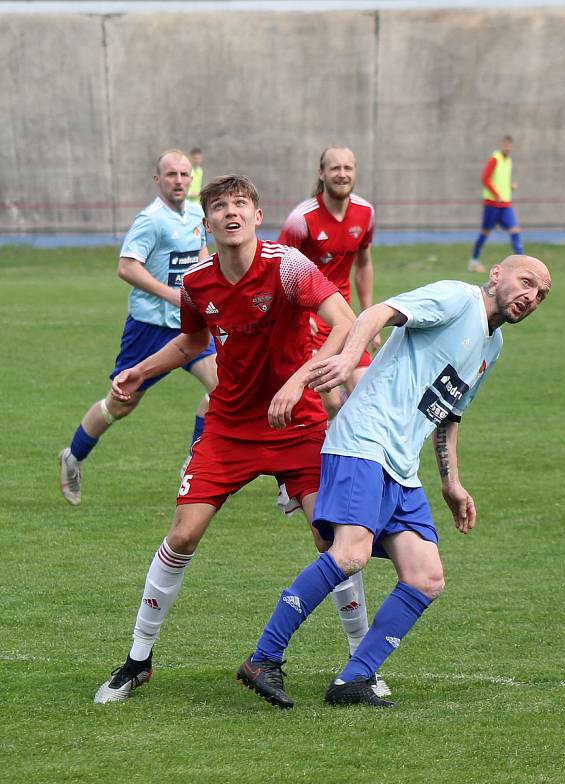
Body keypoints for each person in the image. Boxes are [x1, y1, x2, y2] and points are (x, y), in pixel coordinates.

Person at [93, 174, 383, 704]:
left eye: (240, 204)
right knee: (182, 536)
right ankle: (137, 660)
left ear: (256, 216)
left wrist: (297, 383)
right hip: (229, 427)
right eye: (220, 206)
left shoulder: (288, 266)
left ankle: (361, 665)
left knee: (334, 542)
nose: (231, 212)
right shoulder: (197, 282)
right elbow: (192, 341)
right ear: (207, 224)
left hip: (298, 424)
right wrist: (139, 370)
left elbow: (344, 321)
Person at [236, 254, 552, 709]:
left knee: (426, 578)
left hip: (401, 465)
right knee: (349, 554)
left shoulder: (493, 344)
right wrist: (347, 360)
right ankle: (263, 658)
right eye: (526, 283)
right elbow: (376, 312)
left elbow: (450, 410)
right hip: (364, 441)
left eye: (540, 294)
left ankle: (353, 681)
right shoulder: (455, 298)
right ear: (496, 275)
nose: (530, 297)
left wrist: (451, 482)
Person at [59, 150, 217, 506]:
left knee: (223, 388)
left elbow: (201, 255)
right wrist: (172, 295)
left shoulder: (196, 213)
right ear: (157, 180)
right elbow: (127, 267)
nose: (179, 180)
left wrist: (207, 292)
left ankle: (195, 463)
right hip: (149, 328)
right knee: (121, 404)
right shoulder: (150, 220)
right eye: (171, 174)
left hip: (190, 328)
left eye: (184, 174)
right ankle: (74, 455)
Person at [278, 146, 378, 417]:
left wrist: (370, 316)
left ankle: (340, 455)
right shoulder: (301, 219)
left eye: (348, 168)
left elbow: (363, 264)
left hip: (342, 320)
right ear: (321, 173)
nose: (342, 174)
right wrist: (297, 313)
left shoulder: (365, 213)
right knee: (331, 403)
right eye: (335, 168)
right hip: (308, 322)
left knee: (365, 394)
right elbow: (277, 270)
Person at [468, 136, 524, 273]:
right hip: (492, 203)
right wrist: (496, 194)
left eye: (510, 146)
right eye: (505, 145)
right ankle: (474, 262)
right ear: (501, 145)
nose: (508, 148)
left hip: (505, 204)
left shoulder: (509, 161)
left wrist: (510, 186)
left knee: (515, 230)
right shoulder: (495, 159)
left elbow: (501, 180)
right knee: (485, 232)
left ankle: (522, 264)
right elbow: (485, 178)